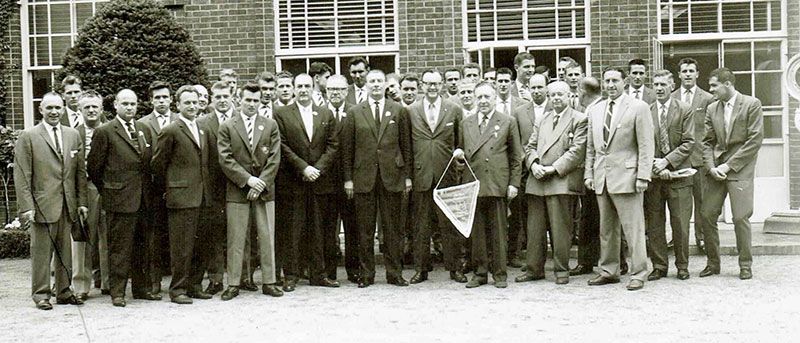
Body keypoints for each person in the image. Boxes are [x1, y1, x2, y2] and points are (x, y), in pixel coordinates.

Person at [15, 92, 88, 310]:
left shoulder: (73, 135)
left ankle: (64, 292)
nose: (54, 112)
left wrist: (81, 202)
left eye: (58, 108)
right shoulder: (28, 136)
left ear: (63, 109)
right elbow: (22, 174)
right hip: (42, 204)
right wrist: (27, 207)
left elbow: (79, 173)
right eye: (49, 108)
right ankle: (41, 294)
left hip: (68, 203)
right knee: (41, 253)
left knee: (65, 250)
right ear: (41, 110)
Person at [88, 89, 160, 307]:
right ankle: (117, 292)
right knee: (120, 248)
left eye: (133, 104)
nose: (130, 108)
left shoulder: (143, 129)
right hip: (119, 200)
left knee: (142, 246)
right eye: (125, 104)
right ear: (116, 106)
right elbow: (94, 168)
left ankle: (141, 289)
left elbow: (148, 164)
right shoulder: (105, 131)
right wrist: (111, 189)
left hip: (143, 199)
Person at [584, 67, 654, 291]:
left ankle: (639, 272)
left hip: (628, 176)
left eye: (615, 80)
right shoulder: (595, 110)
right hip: (602, 177)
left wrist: (643, 175)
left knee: (633, 229)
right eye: (606, 81)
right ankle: (609, 270)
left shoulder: (638, 107)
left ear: (624, 82)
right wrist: (589, 173)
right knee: (607, 229)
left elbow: (646, 145)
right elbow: (591, 148)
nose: (610, 85)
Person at [341, 69, 412, 288]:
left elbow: (406, 146)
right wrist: (348, 179)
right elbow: (347, 150)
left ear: (386, 85)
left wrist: (407, 177)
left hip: (392, 176)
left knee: (392, 229)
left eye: (379, 81)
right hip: (364, 177)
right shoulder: (354, 112)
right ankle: (367, 274)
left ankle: (394, 273)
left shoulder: (398, 111)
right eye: (372, 81)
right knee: (365, 229)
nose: (375, 85)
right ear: (366, 84)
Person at [516, 81, 587, 285]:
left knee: (560, 229)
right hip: (538, 180)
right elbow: (529, 146)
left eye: (560, 95)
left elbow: (576, 151)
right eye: (553, 94)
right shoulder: (543, 119)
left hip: (560, 180)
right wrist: (533, 164)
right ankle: (534, 269)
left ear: (569, 96)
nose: (556, 98)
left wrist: (553, 168)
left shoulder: (579, 119)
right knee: (535, 229)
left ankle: (561, 270)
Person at [274, 74, 341, 290]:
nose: (303, 90)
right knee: (293, 230)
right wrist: (303, 167)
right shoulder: (282, 114)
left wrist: (318, 169)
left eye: (307, 86)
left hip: (320, 182)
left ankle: (318, 274)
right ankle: (291, 275)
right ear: (293, 89)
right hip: (294, 181)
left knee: (319, 230)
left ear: (314, 88)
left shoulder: (325, 113)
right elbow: (282, 145)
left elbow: (333, 145)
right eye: (299, 86)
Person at [218, 82, 284, 300]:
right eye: (248, 100)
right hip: (238, 190)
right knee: (236, 238)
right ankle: (234, 283)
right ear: (239, 100)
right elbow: (225, 158)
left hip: (265, 191)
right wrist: (248, 180)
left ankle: (269, 281)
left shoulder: (270, 125)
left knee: (267, 236)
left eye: (256, 101)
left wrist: (261, 183)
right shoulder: (228, 126)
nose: (251, 104)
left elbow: (275, 158)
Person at [152, 85, 216, 304]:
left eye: (195, 102)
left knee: (201, 244)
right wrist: (171, 189)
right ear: (177, 105)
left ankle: (194, 285)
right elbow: (158, 165)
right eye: (186, 102)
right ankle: (177, 289)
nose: (191, 106)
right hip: (181, 198)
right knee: (182, 246)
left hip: (203, 196)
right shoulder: (171, 130)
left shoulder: (203, 129)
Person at [455, 81, 522, 289]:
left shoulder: (507, 121)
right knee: (477, 233)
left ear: (495, 99)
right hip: (474, 183)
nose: (483, 101)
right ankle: (480, 272)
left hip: (496, 183)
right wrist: (458, 155)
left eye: (487, 97)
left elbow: (516, 157)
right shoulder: (466, 123)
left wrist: (514, 184)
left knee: (499, 232)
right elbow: (461, 152)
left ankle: (500, 274)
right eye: (480, 97)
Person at [699, 68, 763, 280]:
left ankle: (745, 265)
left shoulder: (751, 104)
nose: (711, 90)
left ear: (727, 84)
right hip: (716, 168)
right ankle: (713, 263)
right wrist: (711, 168)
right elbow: (706, 142)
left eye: (714, 85)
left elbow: (754, 141)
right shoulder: (711, 108)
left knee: (740, 217)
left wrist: (728, 166)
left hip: (740, 169)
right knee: (707, 214)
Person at [407, 69, 467, 284]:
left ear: (441, 85)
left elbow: (461, 143)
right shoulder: (411, 111)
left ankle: (455, 268)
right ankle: (421, 269)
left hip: (446, 176)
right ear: (422, 85)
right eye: (428, 83)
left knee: (448, 225)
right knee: (421, 226)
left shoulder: (454, 109)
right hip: (421, 175)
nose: (432, 87)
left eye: (436, 83)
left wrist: (458, 157)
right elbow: (407, 147)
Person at [644, 70, 695, 281]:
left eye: (663, 84)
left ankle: (682, 266)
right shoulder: (646, 111)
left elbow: (689, 142)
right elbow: (643, 143)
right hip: (655, 178)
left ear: (672, 85)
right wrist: (657, 166)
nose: (659, 88)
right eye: (655, 84)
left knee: (680, 223)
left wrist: (667, 161)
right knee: (655, 224)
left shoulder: (684, 110)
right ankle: (659, 265)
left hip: (680, 177)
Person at [137, 81, 178, 295]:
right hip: (153, 188)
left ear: (171, 99)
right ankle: (153, 282)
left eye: (165, 97)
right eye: (157, 98)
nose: (161, 101)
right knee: (154, 236)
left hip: (178, 187)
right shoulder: (142, 124)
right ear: (151, 100)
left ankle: (180, 282)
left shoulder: (181, 121)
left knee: (178, 235)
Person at [508, 73, 551, 268]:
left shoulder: (557, 106)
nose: (536, 91)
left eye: (540, 87)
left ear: (546, 88)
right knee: (528, 219)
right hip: (528, 172)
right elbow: (517, 145)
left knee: (554, 219)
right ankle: (528, 259)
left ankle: (559, 260)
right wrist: (529, 164)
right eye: (532, 88)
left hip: (552, 172)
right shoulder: (519, 112)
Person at [671, 57, 714, 251]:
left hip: (699, 159)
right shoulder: (671, 98)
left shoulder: (707, 98)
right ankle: (678, 238)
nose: (688, 74)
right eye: (684, 71)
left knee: (702, 202)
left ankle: (702, 237)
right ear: (679, 75)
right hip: (679, 161)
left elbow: (711, 129)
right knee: (679, 205)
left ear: (697, 74)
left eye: (691, 71)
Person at [197, 81, 233, 295]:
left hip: (238, 185)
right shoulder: (203, 123)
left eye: (225, 96)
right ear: (212, 98)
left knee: (241, 234)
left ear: (232, 96)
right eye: (217, 96)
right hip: (213, 187)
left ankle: (242, 277)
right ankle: (216, 279)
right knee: (214, 236)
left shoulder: (241, 118)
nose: (221, 100)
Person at [72, 90, 108, 301]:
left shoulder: (111, 130)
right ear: (80, 109)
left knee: (108, 235)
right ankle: (80, 284)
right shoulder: (73, 133)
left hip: (107, 187)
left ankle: (108, 281)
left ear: (101, 109)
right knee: (82, 236)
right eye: (87, 107)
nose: (91, 110)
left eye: (95, 106)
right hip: (84, 188)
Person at [325, 75, 358, 282]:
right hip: (327, 180)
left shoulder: (355, 112)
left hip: (350, 181)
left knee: (352, 226)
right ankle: (329, 272)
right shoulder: (320, 113)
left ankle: (353, 270)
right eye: (331, 89)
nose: (335, 93)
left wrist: (351, 178)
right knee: (328, 228)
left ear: (347, 91)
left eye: (339, 89)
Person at [570, 76, 603, 276]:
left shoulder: (594, 112)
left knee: (594, 218)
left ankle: (589, 261)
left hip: (596, 172)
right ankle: (589, 260)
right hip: (594, 172)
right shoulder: (592, 110)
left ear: (582, 92)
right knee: (593, 218)